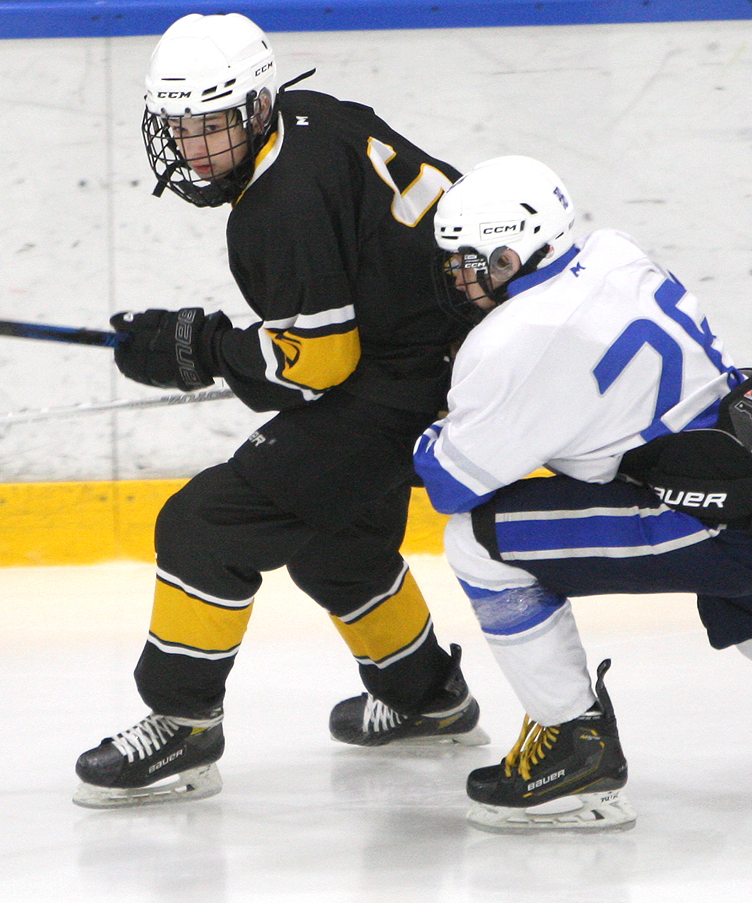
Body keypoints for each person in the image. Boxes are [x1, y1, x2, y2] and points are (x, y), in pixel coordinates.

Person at [414, 155, 752, 833]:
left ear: (510, 253)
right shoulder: (613, 251)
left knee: (477, 543)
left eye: (470, 259)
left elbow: (451, 481)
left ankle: (577, 755)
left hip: (704, 522)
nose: (458, 276)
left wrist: (431, 423)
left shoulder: (515, 340)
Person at [72, 13, 488, 808]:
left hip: (412, 380)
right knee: (337, 546)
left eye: (213, 125)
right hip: (446, 354)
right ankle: (427, 699)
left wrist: (199, 349)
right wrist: (208, 345)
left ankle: (184, 725)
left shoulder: (278, 202)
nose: (195, 148)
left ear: (259, 105)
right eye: (181, 127)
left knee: (206, 526)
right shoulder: (317, 118)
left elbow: (320, 362)